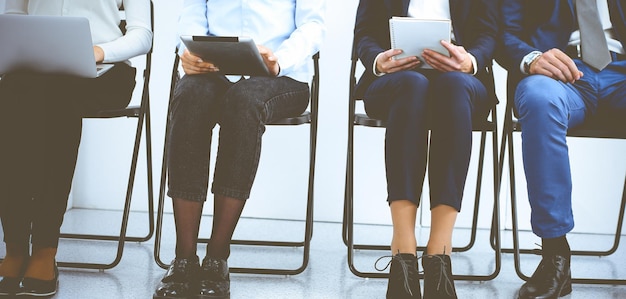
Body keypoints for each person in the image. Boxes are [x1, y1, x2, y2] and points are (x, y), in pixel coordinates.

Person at [152, 1, 325, 298]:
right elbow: (193, 14)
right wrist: (189, 53)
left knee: (244, 103)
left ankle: (217, 257)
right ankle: (184, 257)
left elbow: (313, 25)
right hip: (216, 68)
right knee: (190, 97)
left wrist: (280, 60)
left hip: (281, 74)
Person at [0, 0, 152, 297]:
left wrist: (100, 51)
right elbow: (13, 16)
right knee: (10, 94)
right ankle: (15, 246)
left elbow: (142, 34)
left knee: (57, 96)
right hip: (35, 73)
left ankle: (44, 247)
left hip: (104, 71)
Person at [353, 0, 498, 298]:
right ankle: (403, 253)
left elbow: (490, 33)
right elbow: (364, 32)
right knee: (413, 85)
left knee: (453, 86)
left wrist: (470, 61)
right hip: (395, 80)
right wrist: (378, 60)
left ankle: (439, 255)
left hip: (462, 80)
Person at [498, 0, 626, 298]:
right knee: (540, 99)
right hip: (558, 73)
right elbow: (503, 32)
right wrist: (531, 57)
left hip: (621, 73)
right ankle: (555, 253)